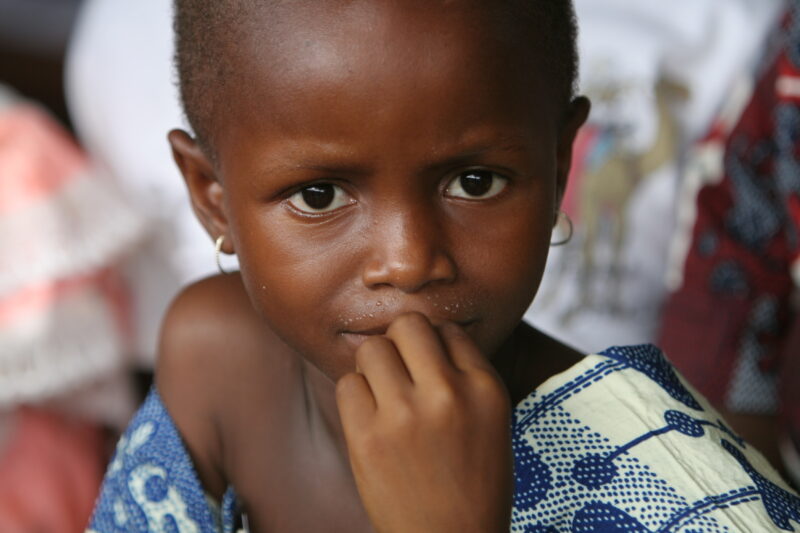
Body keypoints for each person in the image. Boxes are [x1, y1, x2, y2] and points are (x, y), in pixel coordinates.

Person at [87, 1, 800, 531]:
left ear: (557, 166)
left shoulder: (679, 484)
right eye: (318, 194)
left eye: (476, 181)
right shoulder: (215, 365)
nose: (408, 260)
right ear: (212, 199)